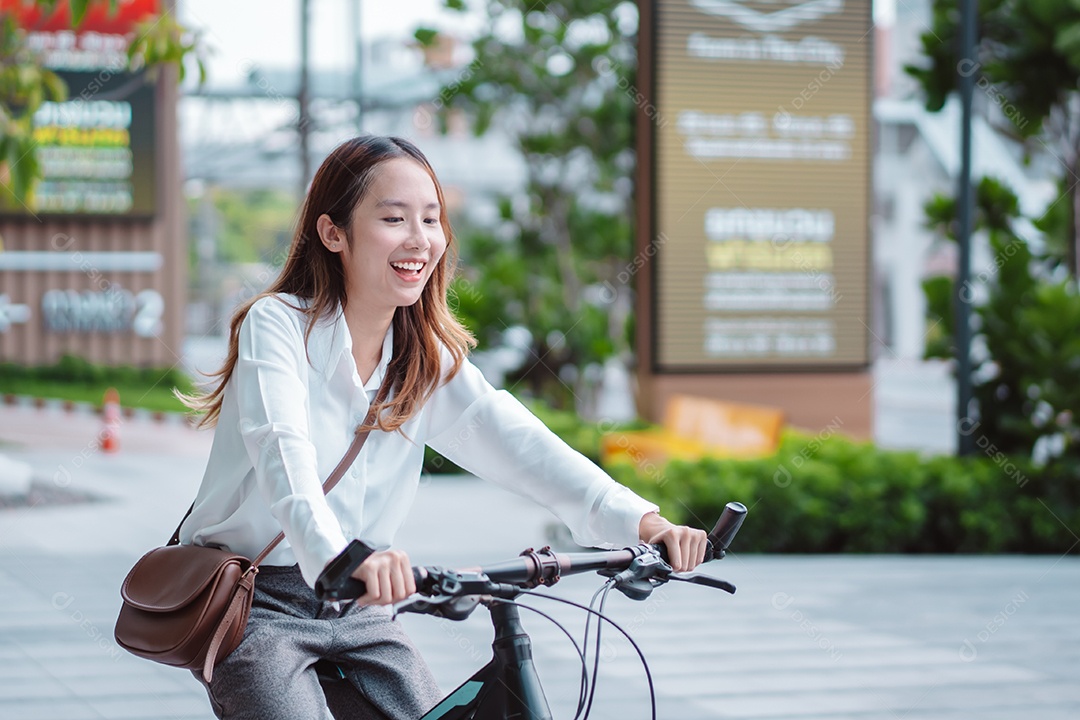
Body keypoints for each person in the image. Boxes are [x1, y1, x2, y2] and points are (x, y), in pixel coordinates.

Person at [179, 135, 707, 720]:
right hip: (256, 602)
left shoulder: (422, 354)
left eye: (431, 219)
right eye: (393, 218)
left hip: (362, 604)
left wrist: (642, 520)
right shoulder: (276, 325)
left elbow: (518, 443)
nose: (419, 239)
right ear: (333, 234)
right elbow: (283, 452)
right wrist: (338, 558)